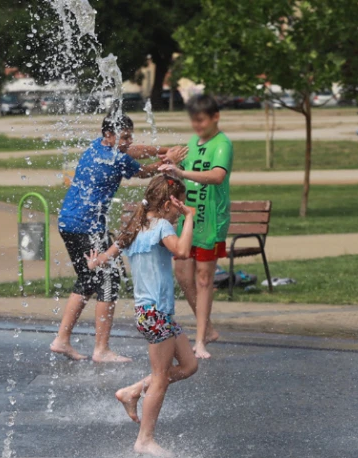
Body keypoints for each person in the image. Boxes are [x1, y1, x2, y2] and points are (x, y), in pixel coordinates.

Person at [50, 113, 187, 363]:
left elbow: (134, 151)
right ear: (109, 135)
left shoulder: (98, 146)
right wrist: (169, 159)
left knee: (89, 279)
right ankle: (100, 349)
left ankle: (62, 339)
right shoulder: (114, 161)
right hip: (86, 226)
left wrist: (164, 149)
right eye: (124, 137)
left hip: (70, 221)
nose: (128, 141)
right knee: (108, 279)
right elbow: (145, 172)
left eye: (129, 136)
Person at [85, 175, 198, 457]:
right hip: (154, 313)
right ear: (169, 203)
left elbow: (104, 259)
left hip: (155, 314)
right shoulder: (160, 226)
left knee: (188, 365)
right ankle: (144, 440)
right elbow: (182, 252)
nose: (181, 209)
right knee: (161, 378)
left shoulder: (134, 228)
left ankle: (132, 390)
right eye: (179, 203)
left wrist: (93, 261)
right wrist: (190, 218)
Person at [160, 94, 233, 359]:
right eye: (194, 121)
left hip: (211, 220)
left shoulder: (222, 143)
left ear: (215, 117)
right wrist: (172, 163)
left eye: (201, 120)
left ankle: (200, 340)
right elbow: (177, 173)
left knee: (204, 278)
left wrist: (182, 173)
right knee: (182, 274)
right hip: (187, 218)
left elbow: (216, 176)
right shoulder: (192, 142)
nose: (197, 126)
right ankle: (209, 328)